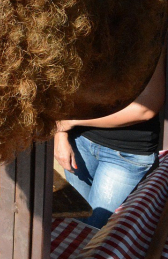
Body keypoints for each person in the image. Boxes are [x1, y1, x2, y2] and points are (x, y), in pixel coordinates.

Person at [54, 51, 165, 229]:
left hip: (125, 154)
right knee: (76, 225)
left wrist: (68, 122)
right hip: (78, 142)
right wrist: (60, 133)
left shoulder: (149, 26)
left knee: (95, 235)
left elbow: (146, 107)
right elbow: (61, 77)